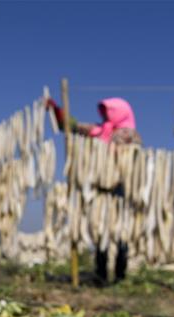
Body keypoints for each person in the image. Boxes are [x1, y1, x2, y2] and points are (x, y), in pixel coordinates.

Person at [46, 97, 142, 285]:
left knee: (120, 232)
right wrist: (56, 110)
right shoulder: (100, 131)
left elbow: (133, 162)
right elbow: (73, 127)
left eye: (109, 112)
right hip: (100, 189)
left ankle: (120, 275)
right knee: (100, 230)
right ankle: (101, 273)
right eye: (104, 112)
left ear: (121, 112)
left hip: (121, 190)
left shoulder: (130, 136)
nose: (106, 116)